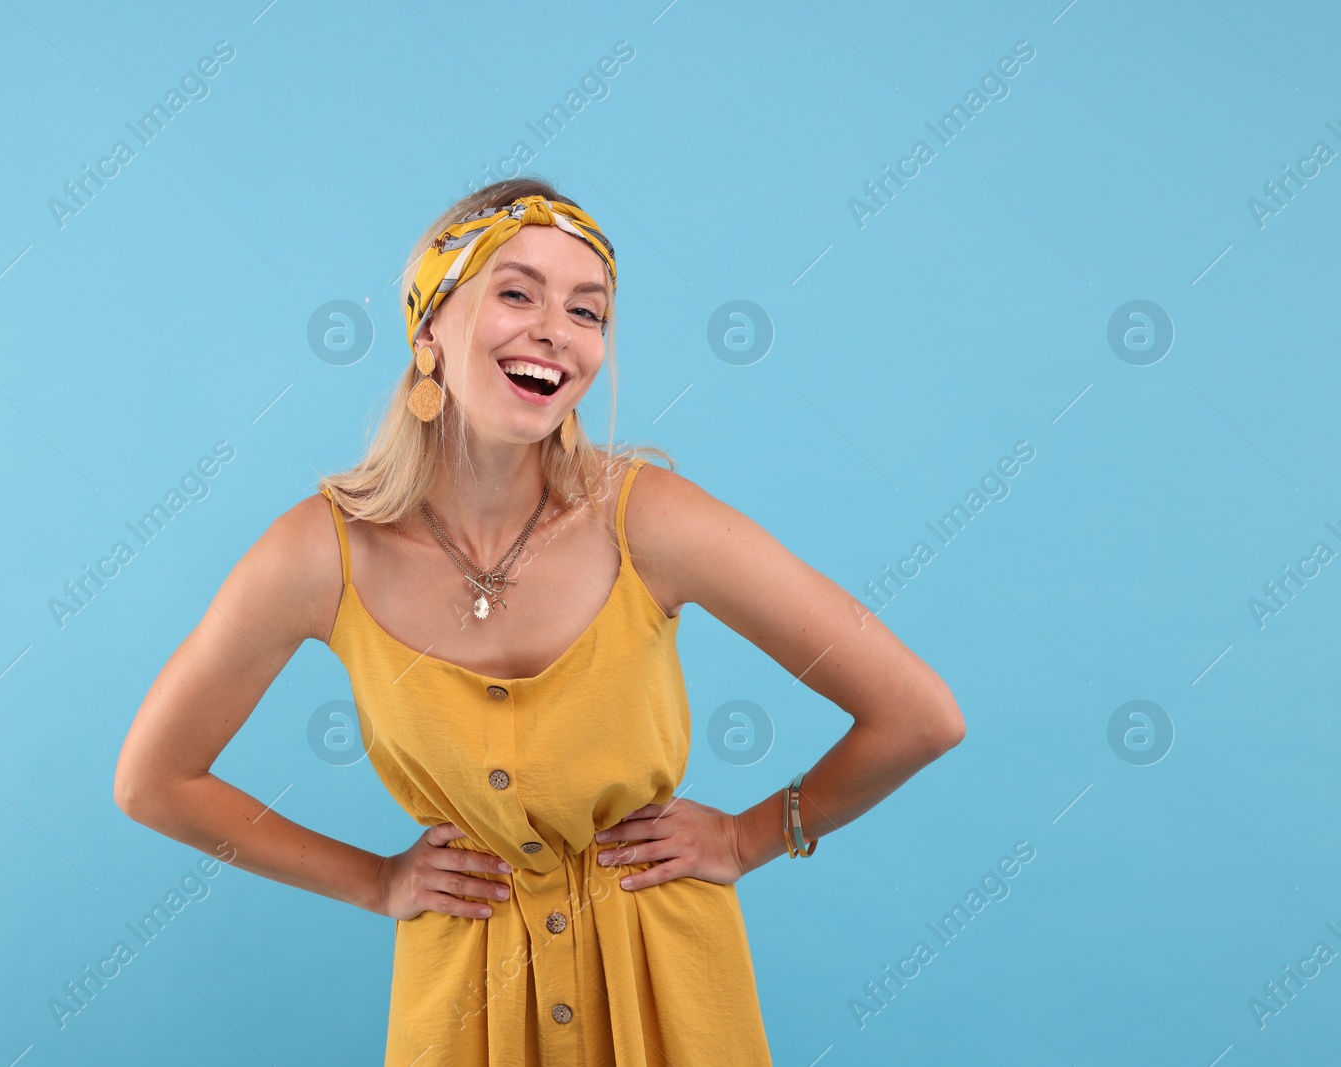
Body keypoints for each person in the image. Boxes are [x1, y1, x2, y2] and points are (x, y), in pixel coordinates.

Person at [114, 177, 966, 1064]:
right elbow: (154, 780)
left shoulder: (649, 517)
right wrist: (375, 880)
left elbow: (920, 714)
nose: (557, 330)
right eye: (516, 292)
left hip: (667, 988)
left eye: (587, 311)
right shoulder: (318, 553)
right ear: (428, 329)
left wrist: (753, 835)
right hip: (464, 1005)